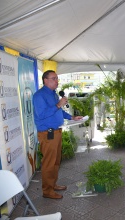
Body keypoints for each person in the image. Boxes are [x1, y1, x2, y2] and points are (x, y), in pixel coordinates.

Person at [33, 70, 83, 199]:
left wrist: (72, 117)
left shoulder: (54, 94)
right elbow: (42, 114)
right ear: (45, 80)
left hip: (56, 132)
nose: (57, 81)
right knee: (49, 163)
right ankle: (47, 191)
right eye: (54, 78)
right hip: (47, 134)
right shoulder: (39, 96)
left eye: (57, 78)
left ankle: (53, 184)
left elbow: (58, 112)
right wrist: (58, 104)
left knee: (56, 162)